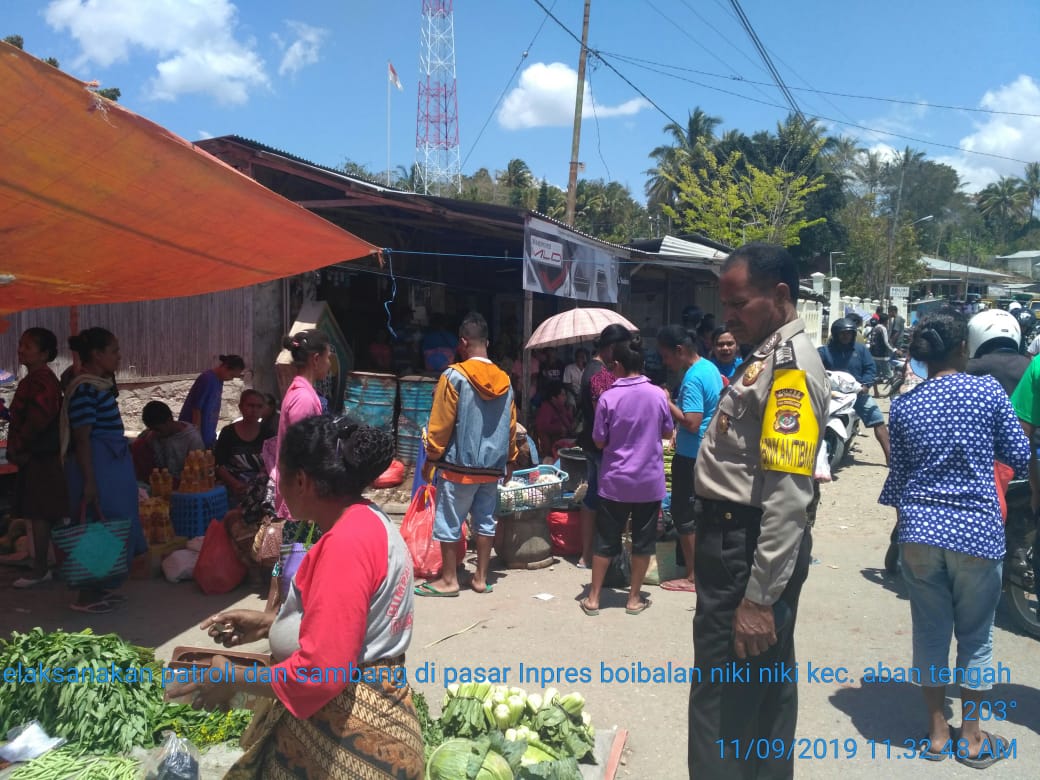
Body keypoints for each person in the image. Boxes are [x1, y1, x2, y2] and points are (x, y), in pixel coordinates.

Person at [166, 416, 423, 779]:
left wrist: (231, 676)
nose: (277, 487)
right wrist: (271, 623)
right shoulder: (367, 521)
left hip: (351, 741)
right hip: (373, 725)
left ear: (301, 480)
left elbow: (321, 673)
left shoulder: (346, 544)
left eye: (279, 475)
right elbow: (351, 624)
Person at [689, 244, 828, 780]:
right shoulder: (765, 356)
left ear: (780, 296)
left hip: (745, 550)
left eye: (739, 304)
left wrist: (759, 597)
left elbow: (790, 495)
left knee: (723, 701)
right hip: (739, 542)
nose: (727, 317)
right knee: (764, 692)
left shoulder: (789, 369)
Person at [880, 309, 1027, 769]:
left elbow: (899, 478)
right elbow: (1019, 456)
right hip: (977, 532)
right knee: (976, 637)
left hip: (920, 531)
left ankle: (938, 734)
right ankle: (974, 738)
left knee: (930, 633)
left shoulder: (904, 404)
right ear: (963, 348)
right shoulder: (986, 392)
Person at [415, 312, 517, 597]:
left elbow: (440, 423)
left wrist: (431, 459)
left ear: (462, 342)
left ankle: (449, 580)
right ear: (487, 342)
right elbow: (511, 425)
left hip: (457, 467)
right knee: (485, 521)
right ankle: (481, 578)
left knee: (449, 522)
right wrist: (510, 459)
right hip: (491, 469)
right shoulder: (505, 380)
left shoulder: (453, 376)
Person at [579, 334, 673, 616]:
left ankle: (594, 598)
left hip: (615, 481)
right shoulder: (658, 394)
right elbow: (668, 433)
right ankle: (633, 599)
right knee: (643, 541)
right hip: (648, 481)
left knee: (606, 539)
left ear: (617, 364)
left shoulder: (609, 397)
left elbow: (598, 441)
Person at [61, 327, 148, 614]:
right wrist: (89, 481)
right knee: (97, 528)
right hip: (98, 467)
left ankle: (99, 588)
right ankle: (85, 595)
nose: (119, 356)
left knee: (111, 525)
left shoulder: (97, 386)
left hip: (111, 465)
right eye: (114, 351)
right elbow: (82, 438)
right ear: (97, 355)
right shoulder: (84, 389)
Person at [656, 325, 722, 593]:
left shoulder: (693, 378)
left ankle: (693, 577)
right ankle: (703, 571)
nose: (666, 363)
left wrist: (666, 400)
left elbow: (692, 422)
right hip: (707, 451)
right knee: (702, 515)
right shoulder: (710, 368)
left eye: (666, 356)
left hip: (691, 455)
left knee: (685, 515)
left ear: (680, 351)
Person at [7, 328, 68, 588]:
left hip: (39, 457)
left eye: (28, 346)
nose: (21, 350)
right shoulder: (36, 379)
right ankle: (55, 565)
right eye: (21, 345)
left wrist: (19, 447)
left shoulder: (40, 381)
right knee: (46, 513)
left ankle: (40, 568)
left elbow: (38, 419)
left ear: (44, 354)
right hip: (41, 455)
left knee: (41, 514)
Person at [575, 325, 629, 568]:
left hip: (593, 444)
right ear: (610, 348)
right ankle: (591, 555)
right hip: (601, 446)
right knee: (600, 500)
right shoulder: (600, 376)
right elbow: (604, 417)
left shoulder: (593, 370)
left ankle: (587, 554)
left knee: (592, 497)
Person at [272, 331, 331, 521]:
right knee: (300, 550)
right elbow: (301, 453)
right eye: (327, 357)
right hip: (300, 496)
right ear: (315, 359)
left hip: (300, 493)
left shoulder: (303, 391)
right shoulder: (303, 398)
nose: (329, 364)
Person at [818, 318, 891, 463]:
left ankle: (890, 457)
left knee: (877, 418)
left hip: (857, 393)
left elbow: (870, 368)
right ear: (836, 334)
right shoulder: (824, 351)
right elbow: (815, 367)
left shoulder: (861, 350)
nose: (846, 336)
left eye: (849, 333)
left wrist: (865, 385)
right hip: (831, 393)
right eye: (843, 333)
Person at [215, 389, 273, 500]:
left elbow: (272, 464)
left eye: (259, 406)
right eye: (250, 405)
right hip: (232, 488)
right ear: (240, 407)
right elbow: (219, 465)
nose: (254, 410)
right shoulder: (228, 433)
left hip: (260, 490)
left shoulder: (268, 433)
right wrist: (235, 484)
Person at [179, 354, 245, 448]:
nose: (231, 379)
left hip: (208, 432)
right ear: (225, 367)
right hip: (196, 434)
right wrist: (196, 436)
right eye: (231, 375)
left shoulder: (219, 380)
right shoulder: (207, 379)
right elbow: (196, 409)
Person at [134, 401, 204, 481]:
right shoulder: (151, 436)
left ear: (169, 421)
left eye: (158, 430)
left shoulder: (192, 439)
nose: (156, 433)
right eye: (152, 430)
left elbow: (198, 473)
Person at [534, 380, 575, 461]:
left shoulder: (562, 407)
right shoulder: (546, 408)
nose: (565, 398)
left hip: (564, 444)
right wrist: (559, 428)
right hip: (553, 449)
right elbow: (541, 426)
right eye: (562, 395)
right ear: (553, 397)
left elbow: (569, 422)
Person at [869, 313, 895, 398]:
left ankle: (876, 393)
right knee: (890, 376)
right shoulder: (883, 328)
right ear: (886, 321)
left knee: (875, 376)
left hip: (874, 356)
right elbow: (886, 342)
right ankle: (892, 393)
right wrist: (894, 350)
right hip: (883, 356)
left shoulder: (874, 328)